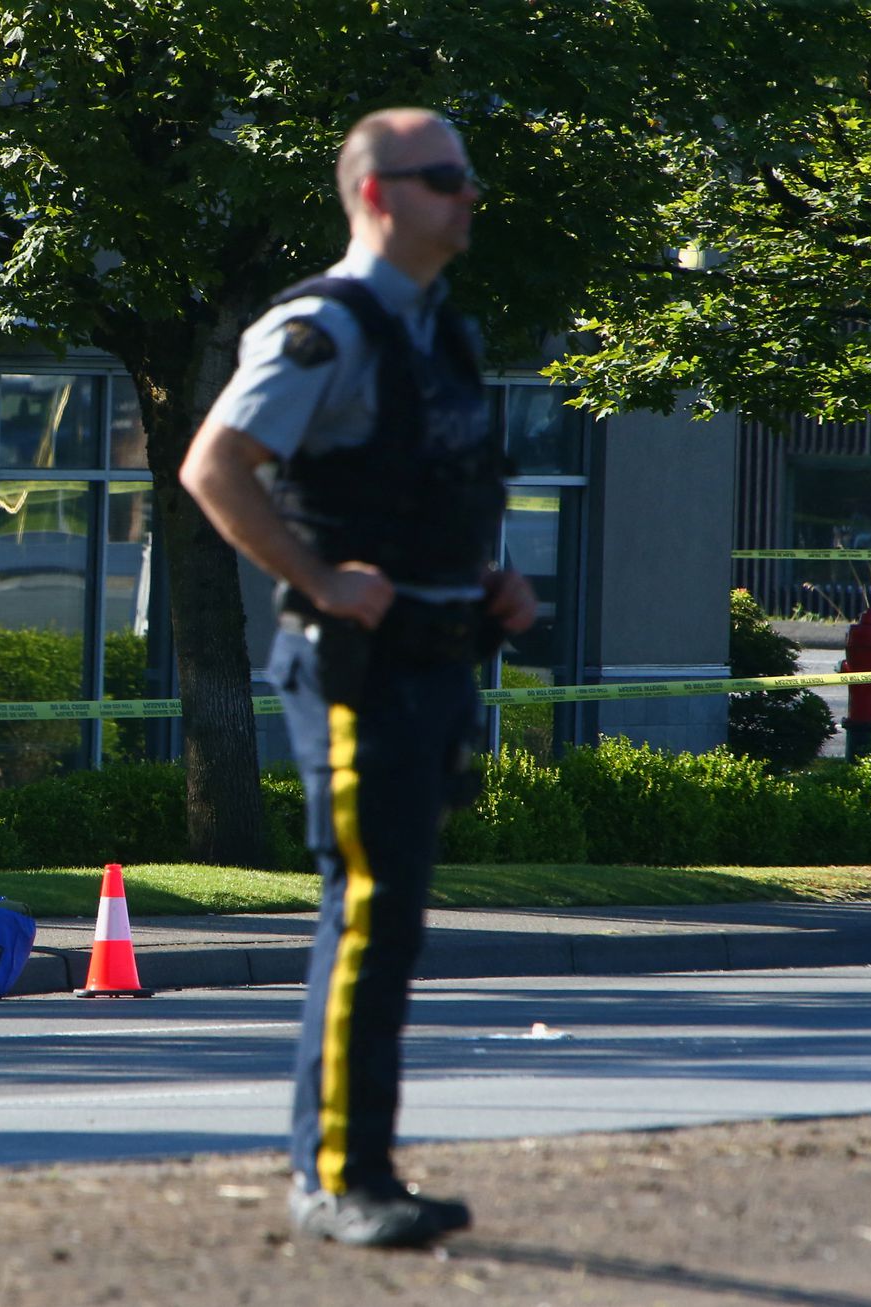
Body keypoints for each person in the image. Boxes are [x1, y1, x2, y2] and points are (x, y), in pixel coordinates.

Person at [180, 107, 536, 1249]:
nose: (468, 196)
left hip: (436, 659)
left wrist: (488, 584)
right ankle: (337, 1178)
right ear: (378, 195)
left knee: (393, 919)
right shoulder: (320, 329)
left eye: (468, 177)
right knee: (369, 913)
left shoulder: (444, 335)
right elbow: (213, 466)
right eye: (443, 179)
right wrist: (320, 578)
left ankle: (359, 1168)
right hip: (354, 670)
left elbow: (427, 496)